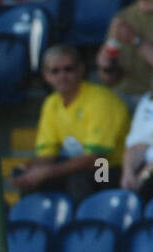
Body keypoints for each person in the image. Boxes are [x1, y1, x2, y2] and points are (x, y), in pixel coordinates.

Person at [10, 45, 129, 202]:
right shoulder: (51, 104)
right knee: (30, 181)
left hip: (110, 167)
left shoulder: (100, 100)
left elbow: (96, 157)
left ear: (81, 70)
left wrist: (46, 172)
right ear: (46, 75)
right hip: (79, 165)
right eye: (55, 71)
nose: (62, 76)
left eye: (68, 69)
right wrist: (29, 168)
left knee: (80, 179)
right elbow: (48, 154)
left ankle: (88, 224)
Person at [99, 1, 153, 106]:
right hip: (121, 95)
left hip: (149, 100)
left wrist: (136, 40)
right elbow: (107, 79)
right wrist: (106, 67)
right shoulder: (122, 18)